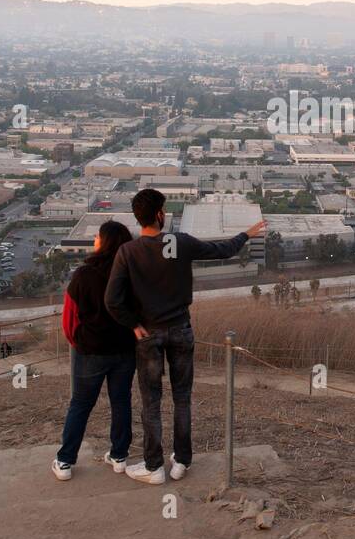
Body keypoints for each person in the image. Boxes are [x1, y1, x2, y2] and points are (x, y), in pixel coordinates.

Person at [105, 188, 266, 484]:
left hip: (148, 335)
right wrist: (247, 233)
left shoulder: (127, 252)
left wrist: (133, 325)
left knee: (151, 402)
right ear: (159, 214)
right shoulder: (178, 242)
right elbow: (223, 249)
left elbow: (112, 300)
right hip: (181, 328)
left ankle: (154, 467)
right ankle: (181, 461)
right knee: (182, 398)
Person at [52, 220, 135, 481]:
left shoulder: (84, 274)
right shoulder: (132, 275)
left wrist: (77, 341)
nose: (95, 241)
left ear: (106, 241)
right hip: (124, 350)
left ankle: (65, 461)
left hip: (90, 350)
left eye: (98, 237)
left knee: (80, 404)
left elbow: (69, 318)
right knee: (121, 402)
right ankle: (119, 456)